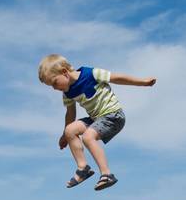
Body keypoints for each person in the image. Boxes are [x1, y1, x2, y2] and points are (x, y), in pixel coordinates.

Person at [38, 54, 156, 190]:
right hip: (96, 118)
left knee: (88, 137)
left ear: (64, 72)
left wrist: (143, 82)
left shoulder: (91, 74)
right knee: (70, 130)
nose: (54, 88)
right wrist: (65, 136)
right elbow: (70, 113)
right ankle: (83, 169)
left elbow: (117, 78)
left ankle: (107, 174)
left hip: (113, 116)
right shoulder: (67, 93)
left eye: (54, 83)